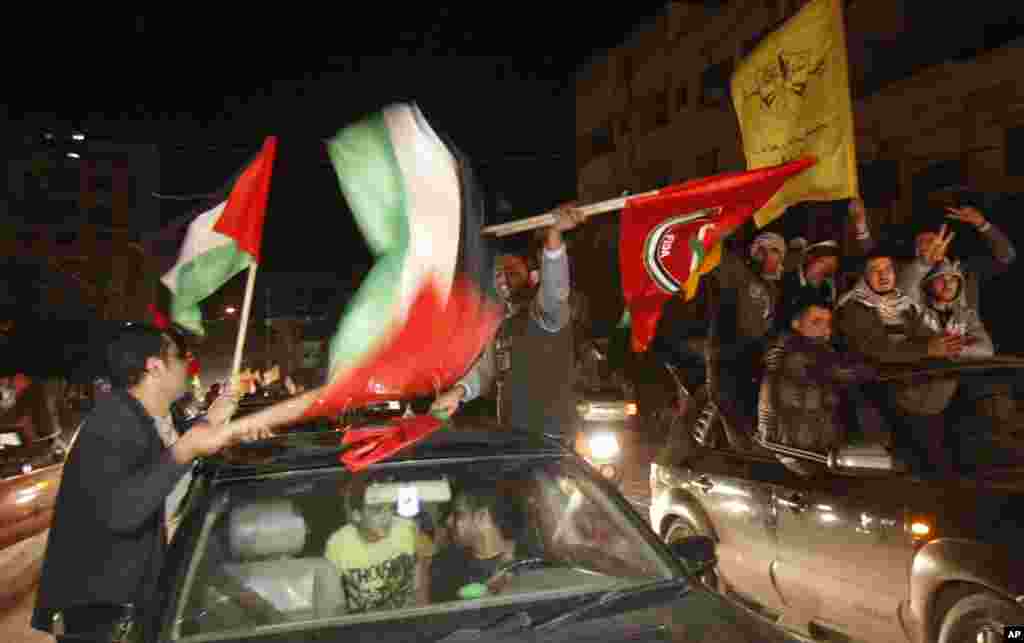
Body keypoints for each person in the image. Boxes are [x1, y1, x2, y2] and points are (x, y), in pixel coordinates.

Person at [32, 324, 258, 642]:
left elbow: (168, 455)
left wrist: (214, 419)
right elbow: (122, 510)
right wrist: (185, 451)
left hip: (138, 607)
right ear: (155, 366)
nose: (188, 365)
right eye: (182, 357)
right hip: (104, 619)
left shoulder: (149, 418)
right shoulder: (110, 424)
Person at [431, 204, 585, 439]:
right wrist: (458, 393)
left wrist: (554, 235)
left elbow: (555, 289)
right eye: (499, 272)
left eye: (512, 271)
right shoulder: (501, 324)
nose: (504, 279)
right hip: (512, 437)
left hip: (551, 441)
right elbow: (486, 371)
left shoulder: (548, 315)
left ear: (531, 275)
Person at [836, 248, 962, 475]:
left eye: (888, 269)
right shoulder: (853, 307)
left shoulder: (903, 304)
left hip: (914, 393)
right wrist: (928, 348)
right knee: (913, 465)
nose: (884, 275)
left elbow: (925, 335)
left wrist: (945, 344)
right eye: (875, 271)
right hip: (877, 398)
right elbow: (878, 349)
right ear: (864, 277)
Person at [758, 296, 878, 476]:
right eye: (816, 322)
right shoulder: (794, 355)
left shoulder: (811, 351)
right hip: (799, 456)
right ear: (796, 324)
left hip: (810, 453)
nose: (825, 329)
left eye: (828, 323)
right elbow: (844, 371)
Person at [703, 231, 786, 452]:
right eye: (761, 249)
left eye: (775, 250)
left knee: (749, 437)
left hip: (751, 369)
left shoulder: (772, 288)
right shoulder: (738, 273)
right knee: (741, 439)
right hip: (727, 366)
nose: (767, 255)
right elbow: (707, 249)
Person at [325, 473, 433, 612]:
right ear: (357, 515)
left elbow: (421, 586)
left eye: (389, 509)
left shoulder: (408, 529)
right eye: (377, 511)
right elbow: (335, 604)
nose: (386, 517)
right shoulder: (338, 544)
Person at [898, 204, 1016, 311]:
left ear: (946, 243)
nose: (930, 245)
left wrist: (983, 225)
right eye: (922, 241)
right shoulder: (900, 272)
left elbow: (1006, 256)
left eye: (933, 240)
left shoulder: (965, 269)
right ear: (914, 248)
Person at [428, 478, 527, 603]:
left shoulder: (522, 565)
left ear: (482, 516)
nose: (448, 522)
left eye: (458, 514)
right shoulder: (444, 566)